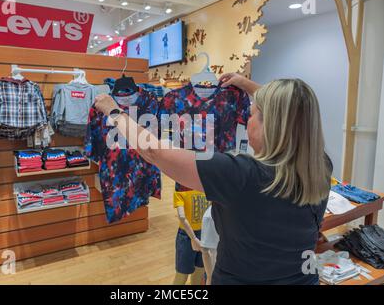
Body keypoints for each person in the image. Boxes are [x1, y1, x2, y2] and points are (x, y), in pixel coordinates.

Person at [94, 73, 332, 285]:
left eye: (252, 115)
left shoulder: (240, 174)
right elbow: (291, 111)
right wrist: (243, 82)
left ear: (270, 125)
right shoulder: (319, 165)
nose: (247, 120)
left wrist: (114, 111)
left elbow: (154, 151)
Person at [172, 190, 209, 285]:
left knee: (200, 270)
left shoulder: (205, 188)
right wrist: (193, 238)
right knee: (182, 274)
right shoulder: (180, 191)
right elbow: (181, 217)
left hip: (204, 234)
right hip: (187, 236)